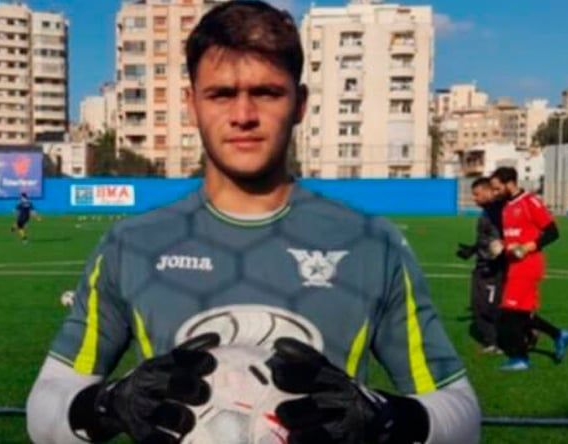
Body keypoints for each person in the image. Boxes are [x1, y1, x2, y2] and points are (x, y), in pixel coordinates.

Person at [26, 2, 481, 443]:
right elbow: (44, 407)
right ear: (191, 105)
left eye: (266, 93)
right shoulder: (132, 244)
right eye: (221, 94)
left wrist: (383, 416)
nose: (243, 116)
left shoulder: (371, 244)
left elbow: (460, 412)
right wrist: (108, 405)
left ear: (300, 103)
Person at [490, 167, 568, 371]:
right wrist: (501, 245)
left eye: (497, 188)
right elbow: (515, 235)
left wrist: (528, 247)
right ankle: (559, 334)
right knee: (522, 314)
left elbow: (552, 232)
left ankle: (521, 358)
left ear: (510, 183)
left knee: (509, 313)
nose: (495, 192)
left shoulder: (530, 202)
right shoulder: (506, 206)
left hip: (528, 265)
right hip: (514, 265)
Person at [456, 177, 504, 353]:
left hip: (493, 268)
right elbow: (486, 239)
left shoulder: (499, 212)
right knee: (477, 305)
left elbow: (499, 241)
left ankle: (523, 334)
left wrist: (497, 255)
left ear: (489, 191)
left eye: (477, 194)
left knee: (489, 307)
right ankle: (492, 342)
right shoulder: (486, 212)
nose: (474, 198)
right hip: (481, 265)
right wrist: (472, 249)